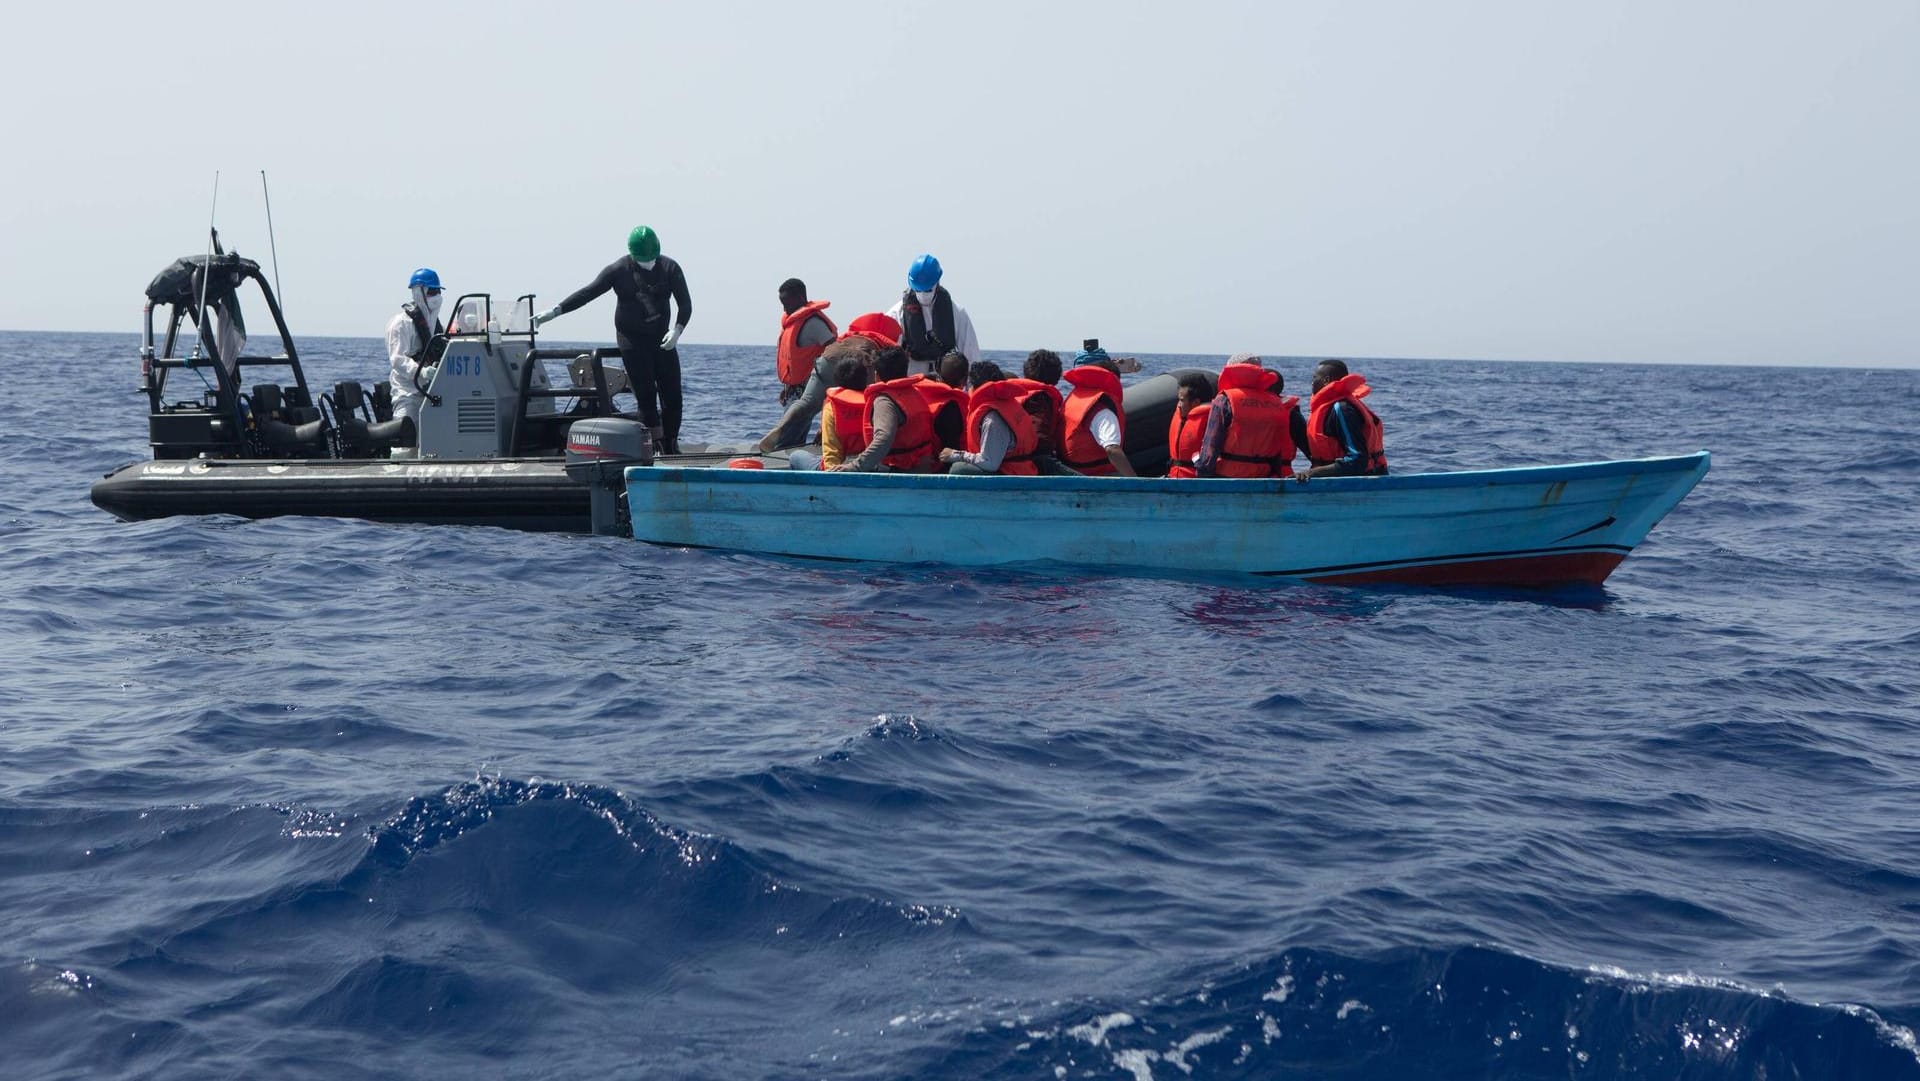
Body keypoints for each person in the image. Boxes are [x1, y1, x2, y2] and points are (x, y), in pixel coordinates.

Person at [534, 225, 692, 453]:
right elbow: (588, 293)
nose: (648, 262)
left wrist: (677, 330)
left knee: (673, 395)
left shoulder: (670, 267)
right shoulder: (619, 270)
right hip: (632, 340)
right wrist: (555, 311)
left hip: (663, 339)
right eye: (643, 259)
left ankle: (671, 443)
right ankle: (654, 446)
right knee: (646, 395)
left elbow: (685, 303)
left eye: (651, 258)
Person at [759, 280, 841, 450]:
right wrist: (788, 387)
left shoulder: (813, 323)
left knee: (787, 439)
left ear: (800, 298)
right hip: (794, 390)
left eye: (787, 303)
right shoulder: (793, 321)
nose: (784, 308)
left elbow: (835, 349)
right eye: (782, 303)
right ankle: (792, 460)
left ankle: (786, 464)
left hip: (808, 390)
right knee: (793, 438)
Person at [1193, 355, 1304, 478]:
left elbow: (1211, 447)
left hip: (1228, 477)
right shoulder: (1276, 403)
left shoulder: (1224, 400)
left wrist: (1202, 476)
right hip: (1264, 478)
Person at [836, 347, 939, 472]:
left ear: (876, 375)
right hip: (922, 465)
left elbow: (883, 439)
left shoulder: (884, 401)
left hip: (897, 470)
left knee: (805, 458)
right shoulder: (915, 393)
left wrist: (854, 467)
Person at [885, 254, 980, 376]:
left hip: (945, 378)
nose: (923, 295)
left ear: (938, 282)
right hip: (913, 377)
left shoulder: (957, 313)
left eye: (928, 290)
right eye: (918, 290)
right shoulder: (897, 314)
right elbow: (887, 358)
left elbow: (971, 355)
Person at [1300, 359, 1389, 478]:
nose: (1312, 383)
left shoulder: (1342, 409)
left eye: (1314, 378)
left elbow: (1357, 461)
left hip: (1359, 483)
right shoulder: (1334, 406)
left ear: (1326, 380)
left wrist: (1312, 473)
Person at [1060, 344, 1135, 476]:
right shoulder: (1102, 408)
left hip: (1071, 471)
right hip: (1094, 478)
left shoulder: (1075, 396)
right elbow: (1112, 449)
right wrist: (1136, 483)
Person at [790, 355, 874, 471]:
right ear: (865, 378)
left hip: (839, 469)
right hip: (869, 465)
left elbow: (832, 452)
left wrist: (832, 473)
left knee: (796, 456)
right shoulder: (875, 402)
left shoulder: (832, 407)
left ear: (837, 380)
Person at [386, 267, 446, 425]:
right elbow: (398, 360)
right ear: (419, 292)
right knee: (406, 445)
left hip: (431, 393)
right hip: (408, 394)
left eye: (438, 291)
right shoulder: (400, 324)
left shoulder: (436, 326)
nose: (436, 296)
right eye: (431, 291)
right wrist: (422, 371)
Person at [1165, 370, 1217, 478]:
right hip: (1174, 476)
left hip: (1196, 481)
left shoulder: (1211, 421)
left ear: (1196, 403)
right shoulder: (1181, 416)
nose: (1178, 405)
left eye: (1182, 400)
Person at [920, 351, 971, 456]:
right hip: (941, 465)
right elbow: (949, 451)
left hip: (922, 460)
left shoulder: (920, 394)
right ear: (965, 380)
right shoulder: (952, 408)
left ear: (938, 375)